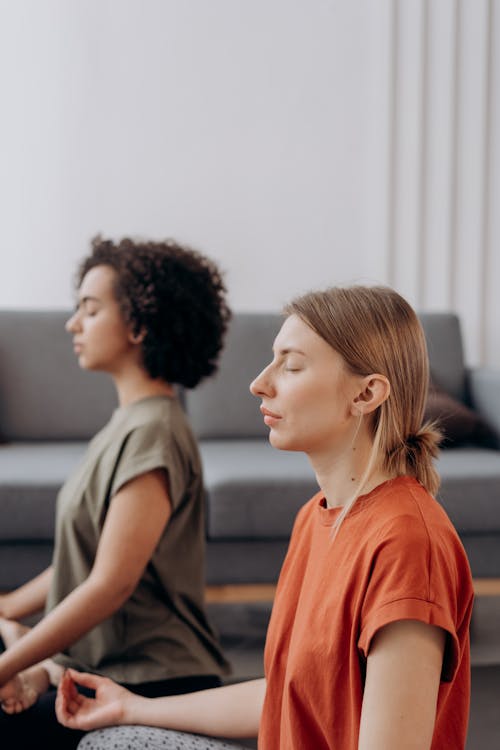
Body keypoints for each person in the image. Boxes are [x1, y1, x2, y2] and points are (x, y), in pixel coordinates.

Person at [55, 285, 474, 750]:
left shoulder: (407, 545)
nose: (260, 383)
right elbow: (288, 697)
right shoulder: (316, 518)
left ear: (366, 394)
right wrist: (134, 706)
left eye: (291, 366)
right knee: (113, 738)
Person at [0, 236, 232, 747]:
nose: (72, 324)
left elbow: (110, 583)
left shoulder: (154, 431)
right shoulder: (129, 423)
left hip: (149, 676)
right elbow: (86, 557)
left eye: (89, 308)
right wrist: (10, 607)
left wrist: (11, 662)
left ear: (139, 325)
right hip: (102, 667)